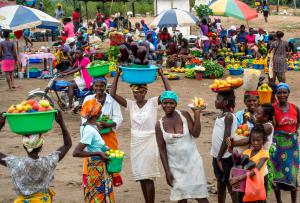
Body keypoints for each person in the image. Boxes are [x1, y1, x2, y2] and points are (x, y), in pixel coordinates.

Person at [110, 69, 171, 203]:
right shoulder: (130, 105)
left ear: (146, 92)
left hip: (150, 141)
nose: (139, 94)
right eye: (136, 92)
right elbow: (112, 94)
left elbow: (168, 93)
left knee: (148, 176)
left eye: (142, 92)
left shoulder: (153, 103)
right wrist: (118, 74)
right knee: (141, 177)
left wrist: (161, 74)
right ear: (133, 93)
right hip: (136, 142)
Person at [0, 110, 72, 202]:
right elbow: (67, 145)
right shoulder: (48, 162)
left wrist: (0, 125)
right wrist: (61, 123)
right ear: (41, 147)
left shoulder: (15, 163)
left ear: (24, 146)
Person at [155, 91, 209, 203]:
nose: (168, 105)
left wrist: (197, 114)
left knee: (201, 197)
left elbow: (196, 133)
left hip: (193, 163)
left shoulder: (184, 115)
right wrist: (167, 171)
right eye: (165, 103)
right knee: (181, 198)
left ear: (176, 104)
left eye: (171, 103)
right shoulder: (159, 124)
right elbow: (162, 149)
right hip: (175, 166)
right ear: (161, 104)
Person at [81, 77, 124, 187]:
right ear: (93, 86)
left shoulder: (112, 100)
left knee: (109, 160)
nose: (99, 88)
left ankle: (109, 183)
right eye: (96, 85)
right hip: (92, 137)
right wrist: (94, 125)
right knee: (93, 161)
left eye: (101, 86)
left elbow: (119, 118)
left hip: (108, 136)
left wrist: (108, 124)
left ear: (105, 87)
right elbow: (83, 117)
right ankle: (93, 183)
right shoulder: (88, 99)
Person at [73, 99, 115, 202]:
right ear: (97, 114)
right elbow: (76, 152)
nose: (101, 112)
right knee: (98, 195)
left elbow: (92, 143)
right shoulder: (90, 131)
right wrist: (98, 153)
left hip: (95, 166)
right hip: (97, 167)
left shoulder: (86, 126)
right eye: (100, 110)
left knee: (96, 194)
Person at [271, 83, 299, 203]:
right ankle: (279, 201)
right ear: (276, 94)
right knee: (276, 173)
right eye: (279, 93)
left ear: (288, 93)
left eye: (284, 92)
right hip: (278, 146)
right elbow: (272, 126)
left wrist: (292, 133)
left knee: (293, 174)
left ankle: (294, 201)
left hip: (292, 147)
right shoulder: (273, 108)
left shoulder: (295, 107)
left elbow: (298, 123)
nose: (282, 95)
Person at [229, 125, 269, 203]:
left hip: (255, 189)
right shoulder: (246, 152)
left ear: (263, 141)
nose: (255, 143)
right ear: (250, 140)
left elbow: (255, 170)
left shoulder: (264, 154)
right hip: (244, 188)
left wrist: (238, 178)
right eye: (253, 140)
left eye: (258, 140)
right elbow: (235, 166)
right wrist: (231, 177)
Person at [211, 90, 237, 203]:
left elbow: (226, 139)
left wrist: (219, 157)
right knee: (220, 183)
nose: (215, 101)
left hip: (226, 157)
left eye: (218, 99)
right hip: (217, 156)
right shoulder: (221, 115)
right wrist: (216, 157)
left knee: (230, 185)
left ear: (225, 102)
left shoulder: (229, 117)